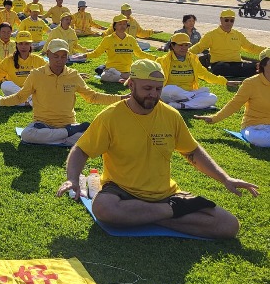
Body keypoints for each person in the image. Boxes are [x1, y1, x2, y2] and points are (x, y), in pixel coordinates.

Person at [57, 59, 258, 240]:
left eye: (157, 89)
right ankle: (169, 212)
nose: (153, 95)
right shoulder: (110, 117)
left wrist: (225, 178)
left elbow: (192, 152)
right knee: (104, 208)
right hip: (122, 192)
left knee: (228, 226)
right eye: (147, 88)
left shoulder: (171, 115)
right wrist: (72, 179)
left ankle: (146, 215)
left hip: (165, 194)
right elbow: (81, 150)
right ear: (132, 84)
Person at [0, 39, 123, 145]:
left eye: (63, 56)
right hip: (43, 124)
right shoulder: (36, 74)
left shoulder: (73, 75)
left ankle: (61, 136)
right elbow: (20, 97)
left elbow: (92, 97)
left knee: (96, 140)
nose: (60, 60)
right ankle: (66, 135)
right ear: (48, 54)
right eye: (56, 56)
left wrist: (121, 98)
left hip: (67, 123)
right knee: (27, 135)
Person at [197, 49, 270, 146]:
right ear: (264, 63)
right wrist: (214, 118)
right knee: (261, 139)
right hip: (254, 127)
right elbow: (234, 104)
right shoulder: (251, 83)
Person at [159, 33, 236, 110]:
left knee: (212, 97)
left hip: (189, 93)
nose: (184, 48)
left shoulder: (193, 59)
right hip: (171, 95)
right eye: (180, 45)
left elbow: (205, 74)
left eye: (186, 45)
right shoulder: (163, 60)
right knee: (169, 89)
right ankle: (193, 98)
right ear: (172, 46)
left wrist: (225, 82)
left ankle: (181, 106)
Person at [190, 9, 264, 77]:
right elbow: (199, 47)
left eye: (232, 21)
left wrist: (267, 50)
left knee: (260, 65)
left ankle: (244, 71)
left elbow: (251, 47)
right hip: (219, 64)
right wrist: (184, 53)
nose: (229, 23)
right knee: (221, 67)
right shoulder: (211, 35)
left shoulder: (238, 34)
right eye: (226, 20)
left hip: (237, 64)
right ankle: (247, 72)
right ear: (221, 20)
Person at [83, 15, 156, 82]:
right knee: (104, 76)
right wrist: (85, 55)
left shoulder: (131, 39)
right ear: (114, 26)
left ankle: (122, 77)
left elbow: (139, 53)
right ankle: (126, 78)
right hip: (111, 70)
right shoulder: (108, 39)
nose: (123, 26)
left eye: (124, 24)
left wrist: (154, 58)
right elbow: (96, 53)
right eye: (120, 24)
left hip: (126, 70)